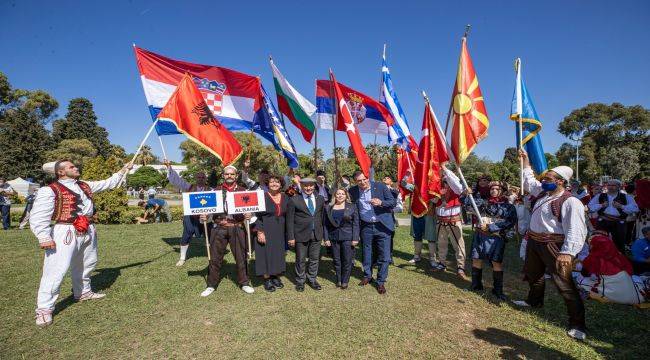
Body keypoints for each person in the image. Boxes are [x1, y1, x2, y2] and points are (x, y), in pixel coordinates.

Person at [30, 159, 132, 327]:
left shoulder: (84, 185)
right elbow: (38, 215)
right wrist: (44, 236)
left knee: (87, 263)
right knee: (56, 269)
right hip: (65, 231)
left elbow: (108, 183)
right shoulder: (50, 190)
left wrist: (123, 170)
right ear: (61, 172)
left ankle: (83, 292)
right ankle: (44, 309)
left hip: (88, 228)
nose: (75, 168)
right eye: (71, 166)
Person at [513, 150, 588, 341]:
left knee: (565, 284)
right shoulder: (543, 194)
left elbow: (576, 230)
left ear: (561, 181)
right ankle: (534, 302)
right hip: (534, 242)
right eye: (545, 178)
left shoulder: (571, 201)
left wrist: (568, 253)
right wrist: (526, 162)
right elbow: (529, 181)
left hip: (554, 246)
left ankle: (578, 324)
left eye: (548, 178)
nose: (544, 180)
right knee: (533, 275)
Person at [200, 165, 254, 297]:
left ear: (236, 176)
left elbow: (251, 208)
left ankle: (245, 283)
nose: (229, 176)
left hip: (237, 227)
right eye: (227, 174)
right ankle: (211, 285)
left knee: (241, 256)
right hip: (219, 227)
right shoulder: (215, 191)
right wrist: (205, 216)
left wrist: (249, 215)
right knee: (215, 257)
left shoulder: (243, 190)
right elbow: (208, 210)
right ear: (223, 176)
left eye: (232, 174)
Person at [464, 181, 517, 300]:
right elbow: (468, 206)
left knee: (496, 262)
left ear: (502, 191)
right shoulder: (483, 202)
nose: (493, 191)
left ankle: (497, 290)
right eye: (492, 189)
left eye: (496, 189)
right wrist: (468, 195)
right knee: (476, 259)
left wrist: (490, 227)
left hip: (496, 238)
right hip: (480, 236)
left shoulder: (508, 206)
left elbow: (510, 222)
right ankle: (476, 285)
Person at [349, 170, 395, 294]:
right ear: (355, 182)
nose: (363, 182)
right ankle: (367, 276)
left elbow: (393, 202)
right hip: (366, 227)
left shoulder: (380, 186)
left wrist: (381, 202)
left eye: (364, 179)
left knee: (384, 256)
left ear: (367, 178)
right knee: (366, 253)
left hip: (382, 226)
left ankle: (380, 282)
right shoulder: (353, 191)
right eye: (359, 181)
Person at [573, 232, 645, 305]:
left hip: (610, 290)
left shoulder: (592, 258)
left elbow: (585, 274)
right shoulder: (619, 255)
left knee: (581, 280)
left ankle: (601, 295)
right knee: (636, 280)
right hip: (633, 295)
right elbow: (630, 271)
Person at [165, 160, 212, 266]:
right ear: (196, 178)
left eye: (202, 177)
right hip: (191, 217)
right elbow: (176, 181)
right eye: (199, 177)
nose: (200, 179)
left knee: (210, 236)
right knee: (186, 235)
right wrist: (169, 167)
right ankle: (182, 258)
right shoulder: (189, 187)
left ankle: (212, 255)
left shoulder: (211, 189)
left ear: (205, 179)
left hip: (206, 217)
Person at [286, 177, 325, 292]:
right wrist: (291, 237)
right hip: (300, 234)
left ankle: (312, 279)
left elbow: (321, 216)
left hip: (316, 233)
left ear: (314, 186)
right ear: (301, 186)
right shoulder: (294, 200)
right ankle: (300, 281)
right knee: (301, 259)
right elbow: (289, 220)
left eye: (311, 185)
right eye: (305, 186)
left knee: (314, 259)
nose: (308, 188)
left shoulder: (320, 199)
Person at [433, 165, 468, 279]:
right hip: (440, 219)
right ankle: (442, 263)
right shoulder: (437, 185)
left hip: (453, 219)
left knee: (458, 244)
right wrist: (438, 195)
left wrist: (445, 170)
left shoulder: (455, 185)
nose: (442, 175)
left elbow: (458, 187)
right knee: (441, 243)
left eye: (444, 174)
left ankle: (461, 267)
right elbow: (433, 200)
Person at [255, 175, 288, 292]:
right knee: (265, 254)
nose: (274, 184)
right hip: (265, 229)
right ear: (267, 184)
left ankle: (275, 276)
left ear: (281, 184)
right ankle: (267, 279)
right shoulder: (262, 197)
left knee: (277, 254)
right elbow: (257, 216)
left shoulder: (285, 197)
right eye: (272, 182)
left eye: (277, 182)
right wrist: (260, 231)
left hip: (280, 230)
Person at [588, 179, 639, 253]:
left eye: (613, 185)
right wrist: (601, 205)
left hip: (619, 222)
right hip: (603, 222)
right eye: (609, 185)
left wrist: (621, 206)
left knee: (619, 244)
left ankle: (618, 262)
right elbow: (590, 207)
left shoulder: (626, 197)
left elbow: (635, 209)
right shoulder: (600, 196)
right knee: (600, 242)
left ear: (619, 186)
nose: (610, 187)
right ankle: (601, 262)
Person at [323, 188, 359, 289]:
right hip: (334, 237)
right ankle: (338, 279)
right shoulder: (328, 207)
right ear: (334, 196)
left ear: (346, 196)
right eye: (338, 194)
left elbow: (356, 224)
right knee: (336, 260)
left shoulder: (352, 207)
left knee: (347, 260)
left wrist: (355, 238)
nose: (340, 195)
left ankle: (345, 280)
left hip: (348, 237)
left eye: (342, 194)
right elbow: (325, 225)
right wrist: (326, 238)